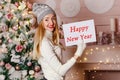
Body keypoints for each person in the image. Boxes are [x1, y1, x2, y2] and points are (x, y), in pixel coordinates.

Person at [32, 3, 86, 80]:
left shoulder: (51, 38)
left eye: (53, 18)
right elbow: (61, 71)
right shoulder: (44, 43)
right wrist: (78, 52)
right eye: (46, 19)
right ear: (41, 23)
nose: (51, 22)